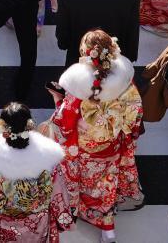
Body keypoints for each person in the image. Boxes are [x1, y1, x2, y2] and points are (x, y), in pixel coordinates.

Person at [50, 30, 143, 242]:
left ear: (85, 53)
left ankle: (74, 213)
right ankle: (107, 229)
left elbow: (64, 120)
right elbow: (135, 113)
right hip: (110, 144)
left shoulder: (77, 84)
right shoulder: (125, 80)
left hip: (82, 146)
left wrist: (57, 99)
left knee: (77, 180)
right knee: (106, 186)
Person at [0, 102, 73, 241]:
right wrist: (63, 217)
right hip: (35, 223)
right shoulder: (48, 158)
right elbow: (58, 193)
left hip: (1, 223)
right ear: (29, 126)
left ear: (4, 128)